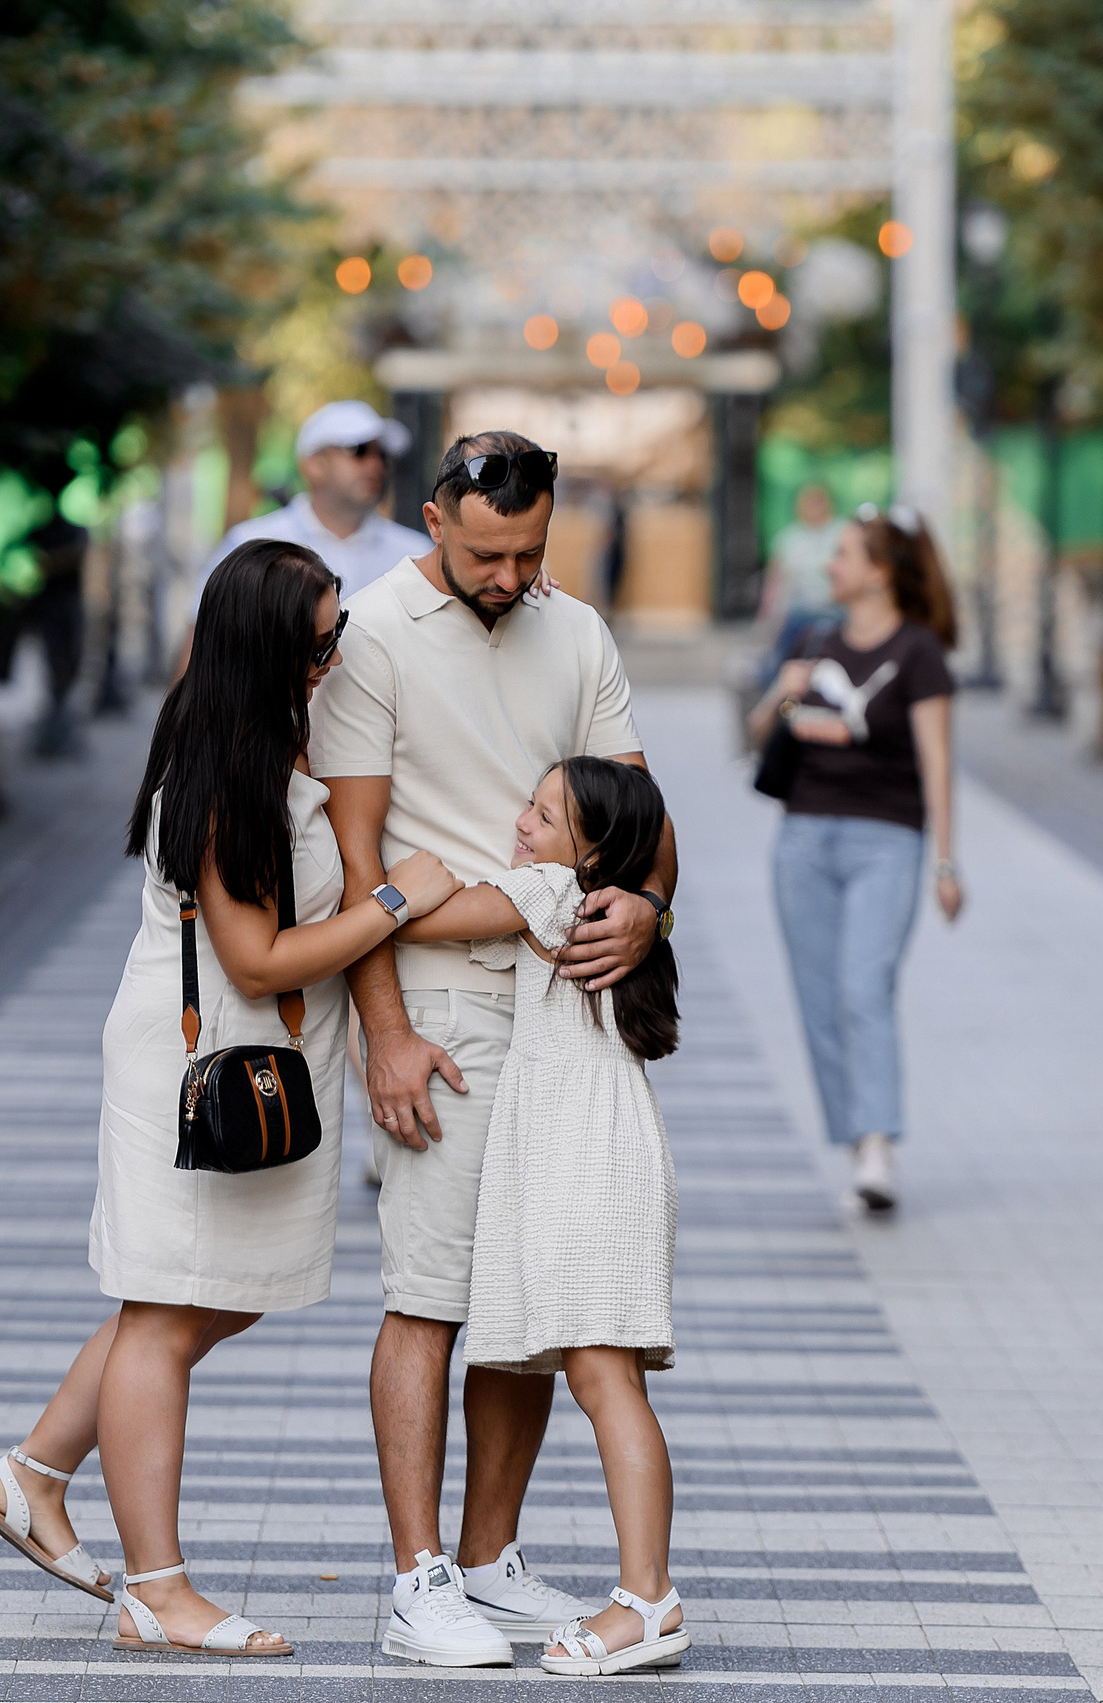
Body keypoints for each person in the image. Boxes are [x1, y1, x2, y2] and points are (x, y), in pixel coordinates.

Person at [0, 539, 460, 1659]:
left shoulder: (267, 733)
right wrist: (394, 897)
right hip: (196, 1062)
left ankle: (32, 1471)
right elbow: (257, 960)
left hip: (248, 1056)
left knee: (204, 1299)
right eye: (318, 637)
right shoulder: (225, 766)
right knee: (167, 1308)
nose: (335, 654)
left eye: (338, 632)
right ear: (266, 645)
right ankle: (156, 1587)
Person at [313, 430, 678, 1667]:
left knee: (524, 1298)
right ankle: (418, 1578)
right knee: (431, 1292)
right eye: (485, 551)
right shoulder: (370, 634)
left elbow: (643, 815)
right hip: (443, 1007)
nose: (509, 573)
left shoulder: (572, 628)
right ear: (432, 518)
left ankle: (486, 1558)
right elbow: (361, 864)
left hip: (561, 1006)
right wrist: (388, 1032)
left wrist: (650, 905)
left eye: (529, 550)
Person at [398, 756, 688, 1677]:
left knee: (607, 1383)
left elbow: (434, 917)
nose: (522, 820)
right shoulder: (597, 904)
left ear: (590, 851)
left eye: (544, 812)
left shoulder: (552, 891)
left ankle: (647, 1600)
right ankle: (645, 1594)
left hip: (584, 1165)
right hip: (601, 1154)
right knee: (610, 1380)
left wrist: (408, 884)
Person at [747, 503, 964, 1214]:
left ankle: (877, 1144)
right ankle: (854, 1138)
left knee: (862, 985)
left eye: (842, 554)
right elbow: (757, 733)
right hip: (803, 838)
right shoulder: (815, 637)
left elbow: (938, 762)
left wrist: (947, 863)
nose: (829, 565)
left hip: (887, 839)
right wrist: (781, 696)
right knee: (819, 999)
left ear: (879, 570)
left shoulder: (919, 650)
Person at [202, 400, 431, 603]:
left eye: (381, 454)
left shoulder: (416, 556)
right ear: (314, 464)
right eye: (358, 450)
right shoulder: (251, 546)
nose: (375, 465)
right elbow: (203, 639)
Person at [753, 483, 844, 688]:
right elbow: (775, 582)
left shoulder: (841, 532)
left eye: (818, 501)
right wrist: (767, 616)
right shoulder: (788, 538)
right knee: (782, 663)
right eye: (808, 502)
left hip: (837, 612)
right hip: (800, 614)